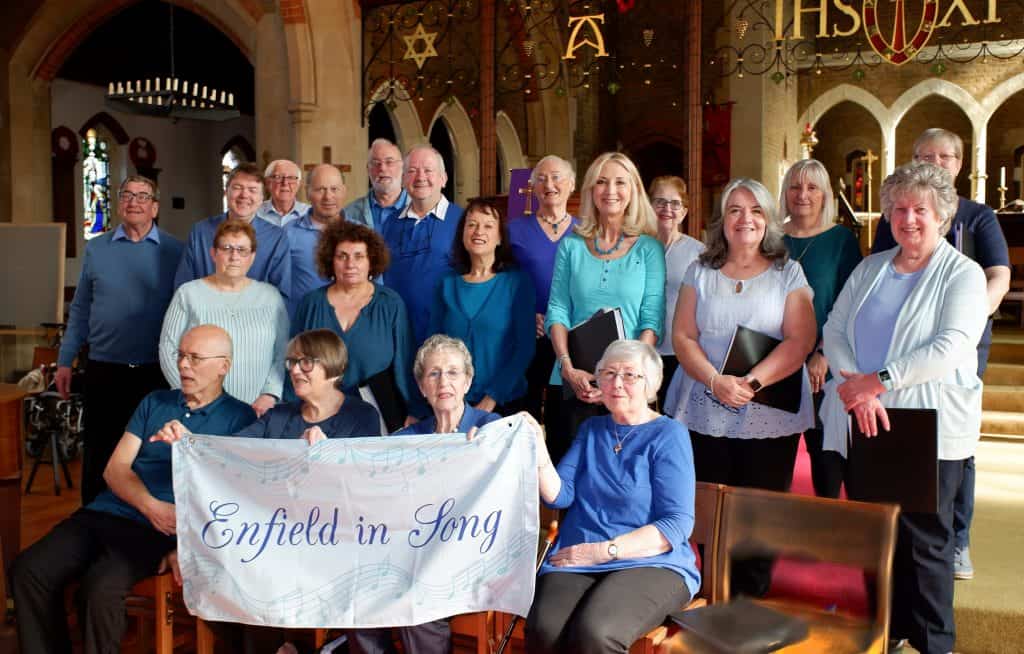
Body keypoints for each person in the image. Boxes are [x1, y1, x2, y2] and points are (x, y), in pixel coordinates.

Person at [822, 162, 988, 654]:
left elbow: (953, 344)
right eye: (898, 209)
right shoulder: (871, 268)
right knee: (878, 534)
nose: (909, 219)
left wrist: (877, 382)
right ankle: (886, 633)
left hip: (927, 424)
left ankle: (937, 643)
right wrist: (856, 385)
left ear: (941, 216)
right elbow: (833, 328)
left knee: (928, 543)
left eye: (920, 209)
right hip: (866, 420)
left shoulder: (963, 274)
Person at [11, 325, 255, 654]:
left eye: (195, 358)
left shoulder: (239, 418)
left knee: (100, 589)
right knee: (30, 569)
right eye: (181, 356)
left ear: (224, 365)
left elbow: (230, 494)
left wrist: (190, 450)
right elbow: (115, 469)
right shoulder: (155, 401)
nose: (184, 365)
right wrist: (149, 504)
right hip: (112, 511)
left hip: (159, 531)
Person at [870, 128, 1010, 580]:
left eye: (944, 156)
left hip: (957, 347)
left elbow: (998, 276)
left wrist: (968, 322)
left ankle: (957, 538)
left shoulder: (979, 215)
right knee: (903, 447)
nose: (935, 162)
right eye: (924, 154)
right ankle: (902, 543)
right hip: (898, 353)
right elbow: (876, 275)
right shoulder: (895, 214)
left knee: (953, 448)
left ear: (959, 163)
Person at [525, 340, 698, 654]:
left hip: (651, 561)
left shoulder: (669, 434)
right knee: (543, 629)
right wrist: (537, 446)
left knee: (596, 633)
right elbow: (559, 496)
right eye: (608, 373)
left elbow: (677, 524)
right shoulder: (592, 428)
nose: (617, 383)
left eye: (630, 375)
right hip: (577, 557)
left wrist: (603, 552)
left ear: (650, 384)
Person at [347, 334, 502, 654]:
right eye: (433, 373)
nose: (443, 381)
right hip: (411, 550)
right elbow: (377, 495)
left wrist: (487, 453)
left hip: (467, 553)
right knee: (359, 594)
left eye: (453, 372)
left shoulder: (492, 428)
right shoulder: (406, 437)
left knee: (416, 605)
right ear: (421, 387)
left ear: (468, 381)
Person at [55, 175, 184, 505]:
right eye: (127, 195)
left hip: (154, 371)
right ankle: (93, 518)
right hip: (103, 367)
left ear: (155, 207)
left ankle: (144, 517)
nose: (133, 202)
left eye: (143, 196)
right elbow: (81, 306)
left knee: (149, 451)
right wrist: (65, 359)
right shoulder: (97, 248)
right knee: (99, 449)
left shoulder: (175, 251)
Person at [545, 152, 665, 463]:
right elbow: (557, 309)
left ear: (633, 191)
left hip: (629, 387)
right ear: (590, 191)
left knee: (624, 482)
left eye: (620, 182)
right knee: (568, 478)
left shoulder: (649, 248)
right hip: (573, 382)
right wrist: (568, 366)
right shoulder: (570, 245)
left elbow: (651, 319)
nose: (610, 190)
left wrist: (622, 377)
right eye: (601, 181)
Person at [291, 221, 425, 431]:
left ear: (371, 261)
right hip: (317, 408)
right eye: (341, 256)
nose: (350, 264)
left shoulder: (390, 303)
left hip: (378, 407)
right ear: (331, 261)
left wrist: (415, 409)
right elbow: (293, 362)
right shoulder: (311, 303)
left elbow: (405, 361)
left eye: (358, 256)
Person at [779, 159, 862, 498]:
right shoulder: (771, 238)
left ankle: (825, 522)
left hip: (821, 364)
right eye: (796, 186)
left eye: (812, 187)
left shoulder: (840, 239)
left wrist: (824, 353)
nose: (803, 195)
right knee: (776, 452)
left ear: (825, 194)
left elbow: (851, 304)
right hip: (776, 359)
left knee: (823, 450)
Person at [159, 220, 288, 417]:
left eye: (242, 250)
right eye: (226, 248)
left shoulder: (271, 297)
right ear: (214, 253)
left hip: (259, 410)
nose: (234, 256)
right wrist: (191, 393)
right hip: (201, 409)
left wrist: (269, 394)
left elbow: (282, 351)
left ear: (252, 257)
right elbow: (168, 349)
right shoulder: (188, 294)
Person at [429, 197, 535, 415]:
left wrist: (492, 398)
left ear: (499, 238)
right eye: (472, 225)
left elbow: (524, 349)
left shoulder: (516, 283)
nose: (479, 231)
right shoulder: (446, 284)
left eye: (488, 226)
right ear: (462, 234)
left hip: (505, 403)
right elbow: (434, 345)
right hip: (453, 403)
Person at [508, 155, 579, 431]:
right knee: (524, 414)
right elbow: (503, 283)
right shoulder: (514, 230)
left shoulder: (586, 231)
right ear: (533, 188)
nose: (549, 184)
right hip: (528, 335)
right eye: (541, 178)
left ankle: (562, 472)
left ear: (571, 184)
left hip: (573, 337)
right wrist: (525, 316)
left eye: (556, 177)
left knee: (566, 415)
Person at [381, 145, 464, 345]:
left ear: (443, 178)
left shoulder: (463, 220)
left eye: (428, 170)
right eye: (412, 171)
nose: (420, 177)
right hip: (398, 332)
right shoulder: (390, 223)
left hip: (446, 333)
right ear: (403, 179)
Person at [174, 162, 292, 302]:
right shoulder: (200, 232)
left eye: (252, 190)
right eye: (237, 187)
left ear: (262, 199)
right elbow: (183, 286)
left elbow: (281, 294)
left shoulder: (277, 238)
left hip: (256, 319)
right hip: (204, 318)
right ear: (226, 192)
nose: (244, 195)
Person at [649, 175, 704, 412]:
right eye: (660, 202)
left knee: (675, 418)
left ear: (684, 212)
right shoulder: (637, 247)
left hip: (679, 352)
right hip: (643, 348)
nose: (667, 209)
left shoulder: (699, 253)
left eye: (675, 204)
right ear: (649, 206)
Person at [284, 163, 348, 317]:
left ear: (344, 191)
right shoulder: (288, 233)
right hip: (305, 325)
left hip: (350, 324)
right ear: (307, 192)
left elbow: (374, 285)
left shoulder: (361, 233)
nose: (328, 197)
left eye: (334, 189)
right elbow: (278, 286)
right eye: (320, 190)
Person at [344, 138, 409, 232]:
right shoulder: (349, 214)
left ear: (402, 167)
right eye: (376, 163)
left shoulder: (421, 209)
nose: (382, 168)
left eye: (389, 162)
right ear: (368, 170)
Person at [256, 159, 310, 227]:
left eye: (291, 178)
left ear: (298, 184)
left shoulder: (311, 214)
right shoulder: (254, 213)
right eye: (278, 177)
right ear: (267, 182)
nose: (285, 183)